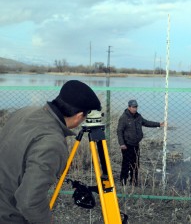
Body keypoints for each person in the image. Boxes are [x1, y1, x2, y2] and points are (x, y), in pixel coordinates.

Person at [0, 80, 101, 224]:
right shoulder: (52, 143)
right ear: (79, 116)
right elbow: (29, 201)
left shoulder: (25, 112)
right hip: (9, 215)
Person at [117, 99, 164, 186]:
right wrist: (122, 144)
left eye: (136, 107)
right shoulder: (124, 118)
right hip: (126, 145)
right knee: (126, 164)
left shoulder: (138, 116)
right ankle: (123, 182)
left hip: (135, 145)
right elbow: (119, 131)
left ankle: (134, 183)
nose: (135, 109)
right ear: (129, 107)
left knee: (135, 165)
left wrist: (159, 124)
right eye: (133, 107)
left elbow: (146, 122)